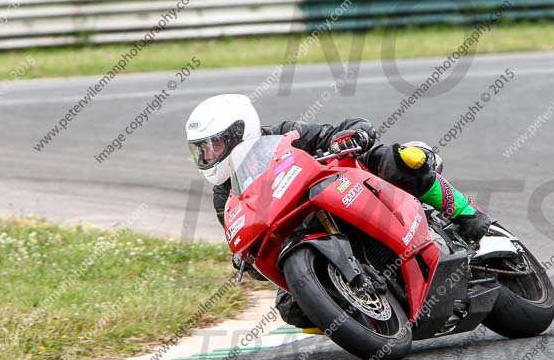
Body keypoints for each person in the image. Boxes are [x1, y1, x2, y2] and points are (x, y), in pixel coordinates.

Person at [185, 94, 491, 328]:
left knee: (398, 159)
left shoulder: (284, 135)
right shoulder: (224, 196)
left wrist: (353, 135)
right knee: (291, 308)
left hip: (346, 191)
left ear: (240, 132)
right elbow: (243, 243)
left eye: (214, 145)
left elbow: (337, 131)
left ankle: (465, 212)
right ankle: (364, 319)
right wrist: (247, 257)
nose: (209, 156)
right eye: (201, 150)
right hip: (304, 237)